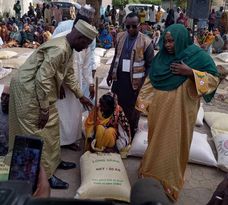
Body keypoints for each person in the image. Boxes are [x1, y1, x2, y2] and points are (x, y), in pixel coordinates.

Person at [8, 19, 98, 189]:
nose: (86, 48)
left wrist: (80, 96)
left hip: (40, 89)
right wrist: (43, 108)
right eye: (86, 44)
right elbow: (42, 79)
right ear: (79, 37)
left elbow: (69, 75)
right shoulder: (59, 49)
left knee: (52, 127)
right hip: (28, 89)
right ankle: (46, 176)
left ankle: (55, 162)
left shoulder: (68, 48)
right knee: (39, 132)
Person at [135, 24, 219, 202]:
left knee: (174, 146)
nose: (168, 45)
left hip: (181, 114)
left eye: (172, 41)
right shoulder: (162, 58)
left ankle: (169, 185)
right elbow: (152, 78)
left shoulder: (198, 57)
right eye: (166, 41)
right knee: (156, 142)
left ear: (181, 39)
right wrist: (142, 102)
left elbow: (213, 80)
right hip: (159, 112)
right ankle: (150, 179)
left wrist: (191, 73)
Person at [52, 5, 96, 149]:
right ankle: (59, 142)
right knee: (60, 113)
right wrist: (57, 84)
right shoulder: (62, 30)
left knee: (74, 113)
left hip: (76, 81)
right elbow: (52, 59)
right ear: (77, 18)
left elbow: (87, 64)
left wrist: (90, 83)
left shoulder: (89, 36)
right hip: (60, 82)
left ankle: (71, 141)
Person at [106, 12, 154, 137]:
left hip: (135, 84)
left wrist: (143, 85)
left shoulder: (146, 42)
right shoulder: (120, 37)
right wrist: (110, 73)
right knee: (117, 107)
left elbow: (150, 66)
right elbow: (116, 57)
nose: (131, 29)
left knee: (132, 110)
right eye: (128, 26)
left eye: (134, 26)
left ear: (140, 25)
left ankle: (131, 134)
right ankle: (116, 132)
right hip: (119, 79)